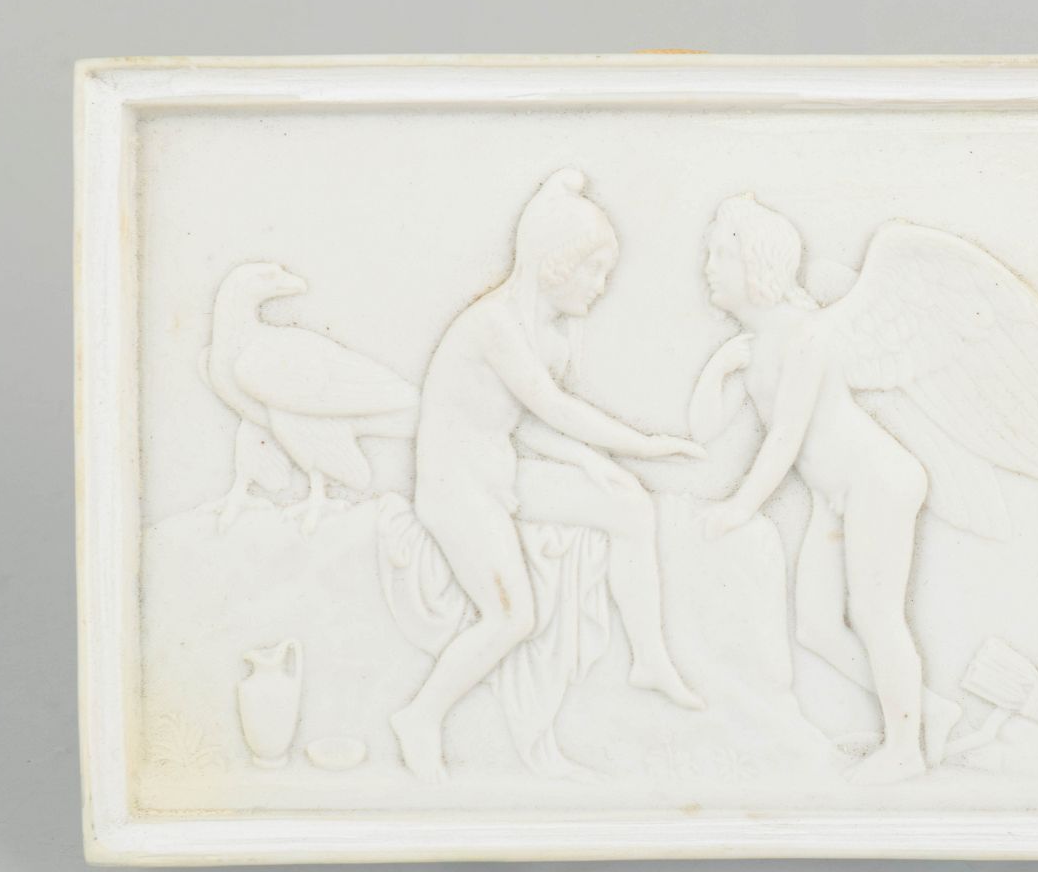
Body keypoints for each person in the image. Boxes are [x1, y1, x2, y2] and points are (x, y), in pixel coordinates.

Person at [390, 169, 704, 781]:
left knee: (630, 505)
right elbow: (553, 408)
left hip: (501, 477)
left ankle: (649, 659)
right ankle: (420, 716)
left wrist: (588, 461)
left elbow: (520, 422)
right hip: (457, 492)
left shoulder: (551, 341)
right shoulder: (493, 326)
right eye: (594, 271)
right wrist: (642, 444)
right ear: (556, 263)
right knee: (513, 617)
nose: (600, 287)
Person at [688, 194, 928, 783]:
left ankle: (905, 749)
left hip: (875, 481)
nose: (708, 268)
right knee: (815, 628)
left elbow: (786, 438)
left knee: (875, 614)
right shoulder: (755, 347)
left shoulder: (807, 335)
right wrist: (718, 368)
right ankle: (929, 712)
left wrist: (739, 508)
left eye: (720, 256)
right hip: (833, 495)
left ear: (757, 265)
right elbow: (704, 429)